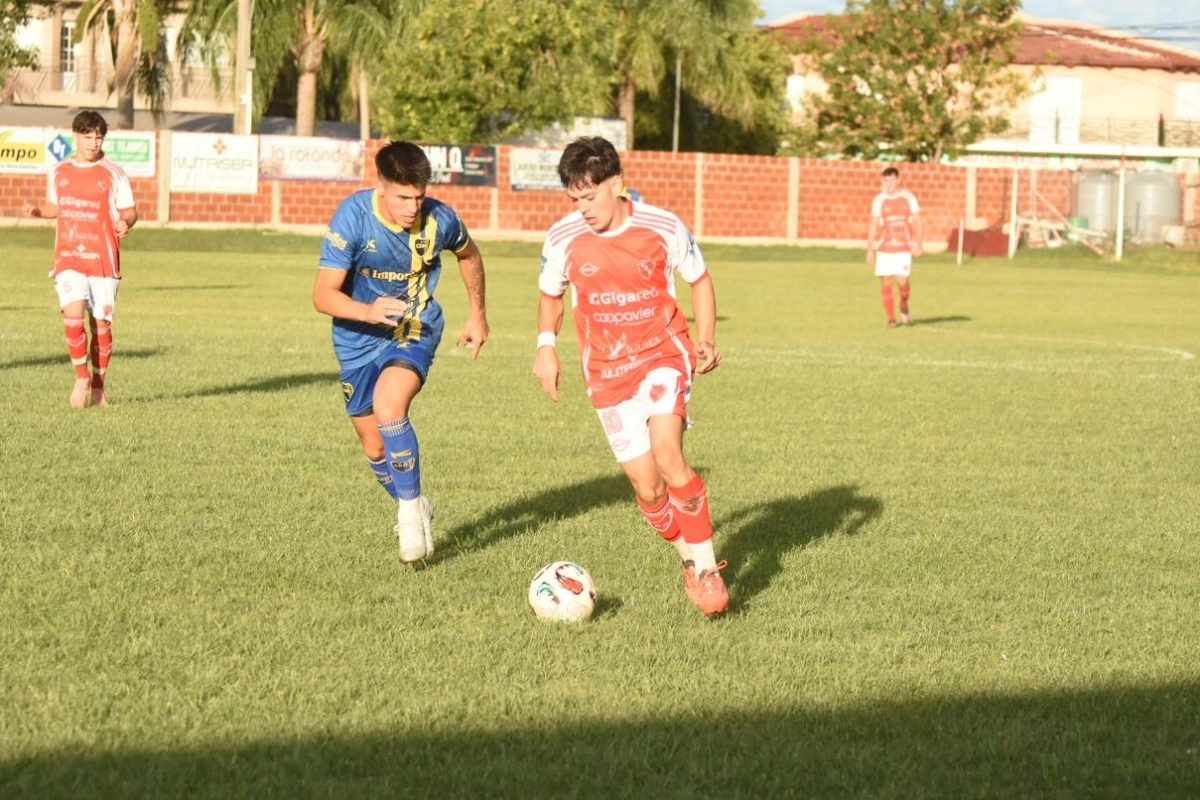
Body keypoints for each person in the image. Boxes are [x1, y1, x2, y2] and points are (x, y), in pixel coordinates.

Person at [532, 136, 728, 617]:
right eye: (574, 199)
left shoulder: (662, 226)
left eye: (590, 196)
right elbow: (551, 294)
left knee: (668, 455)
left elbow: (699, 279)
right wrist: (545, 347)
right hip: (606, 371)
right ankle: (688, 557)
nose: (583, 209)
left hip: (663, 354)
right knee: (649, 490)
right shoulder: (562, 238)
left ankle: (708, 571)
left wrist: (705, 338)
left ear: (617, 183)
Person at [313, 140, 489, 564]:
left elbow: (469, 255)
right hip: (356, 338)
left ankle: (409, 518)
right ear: (381, 186)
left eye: (419, 197)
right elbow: (323, 295)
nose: (412, 207)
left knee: (390, 407)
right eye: (402, 198)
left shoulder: (440, 219)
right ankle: (416, 503)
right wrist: (367, 311)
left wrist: (478, 315)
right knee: (375, 448)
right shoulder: (353, 217)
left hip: (415, 326)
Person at [21, 110, 139, 408]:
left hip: (103, 259)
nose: (93, 143)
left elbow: (130, 210)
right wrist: (38, 211)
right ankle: (81, 378)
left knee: (101, 326)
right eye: (88, 137)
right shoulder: (60, 170)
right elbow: (55, 206)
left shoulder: (114, 173)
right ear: (75, 136)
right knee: (73, 316)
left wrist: (126, 222)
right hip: (69, 256)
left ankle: (99, 386)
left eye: (98, 137)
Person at [867, 166, 923, 327]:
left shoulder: (908, 198)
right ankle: (891, 319)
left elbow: (917, 220)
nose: (889, 184)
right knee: (886, 282)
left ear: (898, 180)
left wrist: (918, 243)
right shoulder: (879, 200)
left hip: (903, 247)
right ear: (882, 181)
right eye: (886, 180)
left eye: (892, 180)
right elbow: (873, 224)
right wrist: (870, 249)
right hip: (884, 247)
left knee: (903, 283)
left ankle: (904, 304)